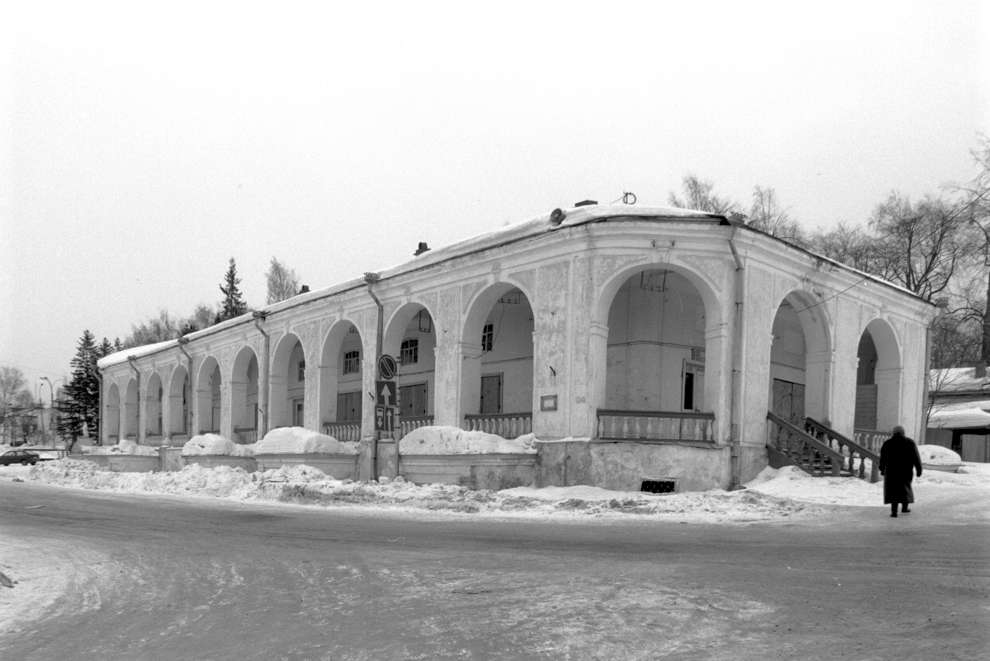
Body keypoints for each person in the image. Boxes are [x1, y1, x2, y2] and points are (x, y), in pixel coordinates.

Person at [878, 425, 923, 518]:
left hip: (891, 471)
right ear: (903, 433)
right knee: (904, 489)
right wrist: (919, 470)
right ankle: (904, 508)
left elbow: (883, 459)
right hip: (905, 471)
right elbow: (916, 458)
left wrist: (882, 469)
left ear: (893, 433)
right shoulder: (910, 443)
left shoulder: (887, 443)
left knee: (893, 491)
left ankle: (894, 512)